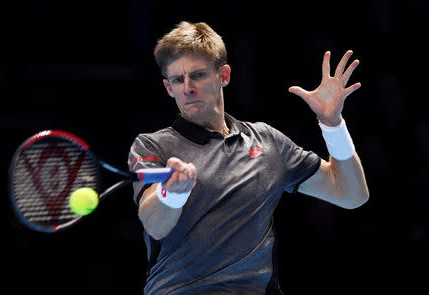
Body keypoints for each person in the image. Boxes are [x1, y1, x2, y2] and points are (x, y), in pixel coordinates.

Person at [129, 21, 369, 295]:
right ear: (168, 87)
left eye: (198, 75)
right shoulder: (152, 145)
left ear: (224, 75)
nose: (187, 88)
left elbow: (351, 195)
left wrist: (332, 124)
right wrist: (171, 194)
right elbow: (153, 222)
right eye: (177, 80)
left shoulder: (268, 142)